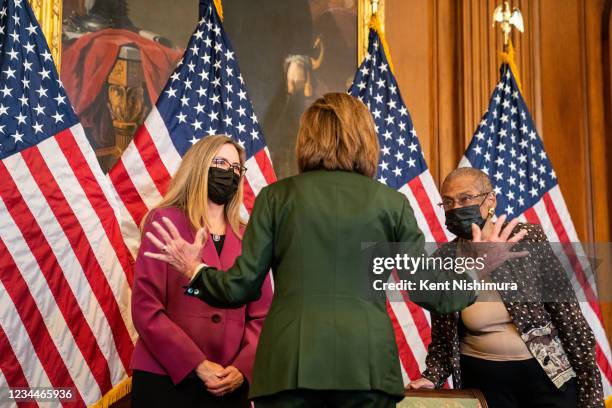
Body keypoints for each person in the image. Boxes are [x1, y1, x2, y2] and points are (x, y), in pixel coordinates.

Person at [144, 93, 526, 407]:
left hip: (287, 373)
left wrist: (194, 270)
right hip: (367, 371)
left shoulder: (275, 199)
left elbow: (239, 288)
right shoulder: (390, 203)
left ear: (306, 139)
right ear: (366, 140)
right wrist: (479, 266)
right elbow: (430, 292)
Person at [408, 167, 604, 408]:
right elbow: (443, 338)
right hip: (484, 382)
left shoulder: (527, 237)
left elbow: (568, 315)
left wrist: (590, 392)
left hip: (548, 374)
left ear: (490, 200)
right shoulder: (443, 259)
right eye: (448, 202)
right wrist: (432, 377)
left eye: (466, 198)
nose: (456, 208)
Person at [129, 135, 273, 408]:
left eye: (235, 169)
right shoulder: (165, 221)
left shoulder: (249, 236)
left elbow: (261, 315)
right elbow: (146, 308)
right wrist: (196, 363)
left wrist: (243, 368)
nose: (228, 173)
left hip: (229, 383)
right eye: (219, 163)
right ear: (200, 165)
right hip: (167, 378)